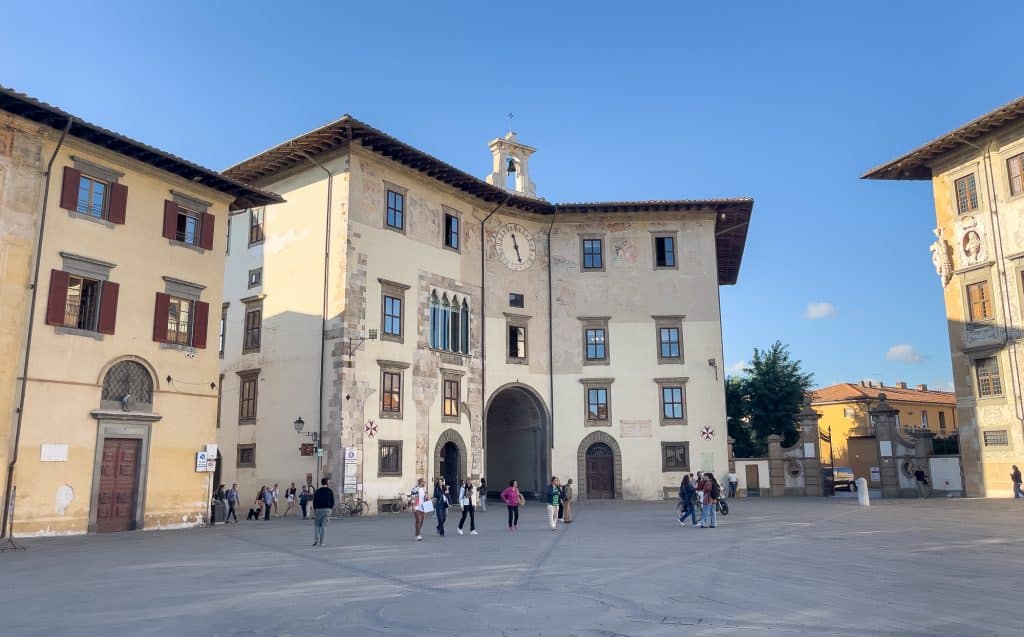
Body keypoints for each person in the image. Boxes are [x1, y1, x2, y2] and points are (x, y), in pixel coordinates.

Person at [312, 478, 334, 547]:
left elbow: (314, 501)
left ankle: (316, 539)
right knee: (324, 526)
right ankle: (322, 542)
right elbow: (332, 501)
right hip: (327, 509)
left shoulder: (317, 491)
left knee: (317, 525)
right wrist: (330, 508)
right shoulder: (330, 491)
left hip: (318, 509)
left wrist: (314, 509)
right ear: (327, 483)